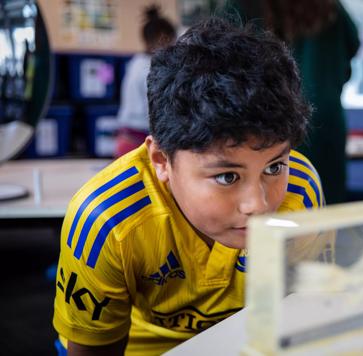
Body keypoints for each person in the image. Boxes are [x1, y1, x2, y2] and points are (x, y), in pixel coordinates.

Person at [53, 18, 325, 355]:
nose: (258, 204)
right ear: (162, 161)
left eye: (274, 166)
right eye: (227, 176)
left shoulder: (301, 189)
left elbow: (303, 319)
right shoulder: (107, 221)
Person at [221, 0, 359, 204]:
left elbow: (221, 62)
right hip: (327, 120)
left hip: (265, 123)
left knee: (269, 208)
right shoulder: (331, 7)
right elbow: (353, 44)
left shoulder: (244, 5)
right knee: (328, 207)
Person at [114, 5, 176, 157]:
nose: (174, 47)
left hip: (127, 136)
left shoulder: (136, 62)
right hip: (138, 140)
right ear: (161, 40)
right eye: (172, 42)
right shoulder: (151, 68)